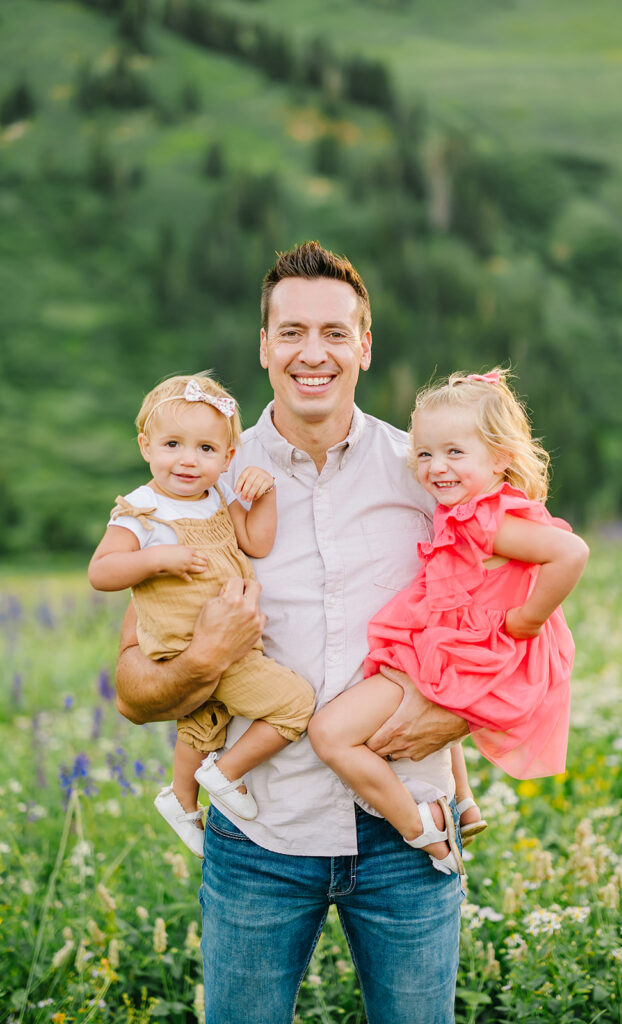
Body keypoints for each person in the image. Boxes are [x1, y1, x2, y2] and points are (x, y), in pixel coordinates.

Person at [115, 241, 470, 1024]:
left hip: (408, 835)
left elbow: (508, 619)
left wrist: (461, 714)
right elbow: (136, 691)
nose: (314, 353)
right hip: (259, 837)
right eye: (292, 332)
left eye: (336, 333)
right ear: (264, 346)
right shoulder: (201, 483)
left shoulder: (428, 472)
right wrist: (204, 658)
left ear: (365, 346)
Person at [308, 369, 589, 871]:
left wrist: (526, 620)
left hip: (474, 648)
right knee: (408, 678)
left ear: (500, 457)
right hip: (451, 638)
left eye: (455, 453)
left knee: (331, 734)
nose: (437, 467)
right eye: (425, 454)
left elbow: (570, 552)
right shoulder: (467, 508)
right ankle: (462, 799)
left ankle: (424, 830)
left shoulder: (487, 519)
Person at [89, 373, 315, 858]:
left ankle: (182, 798)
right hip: (189, 642)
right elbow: (101, 571)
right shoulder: (141, 510)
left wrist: (266, 496)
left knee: (206, 719)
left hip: (232, 638)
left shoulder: (218, 496)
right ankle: (224, 772)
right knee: (296, 702)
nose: (189, 460)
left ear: (228, 457)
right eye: (173, 444)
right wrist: (156, 559)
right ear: (146, 445)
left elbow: (257, 542)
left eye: (207, 449)